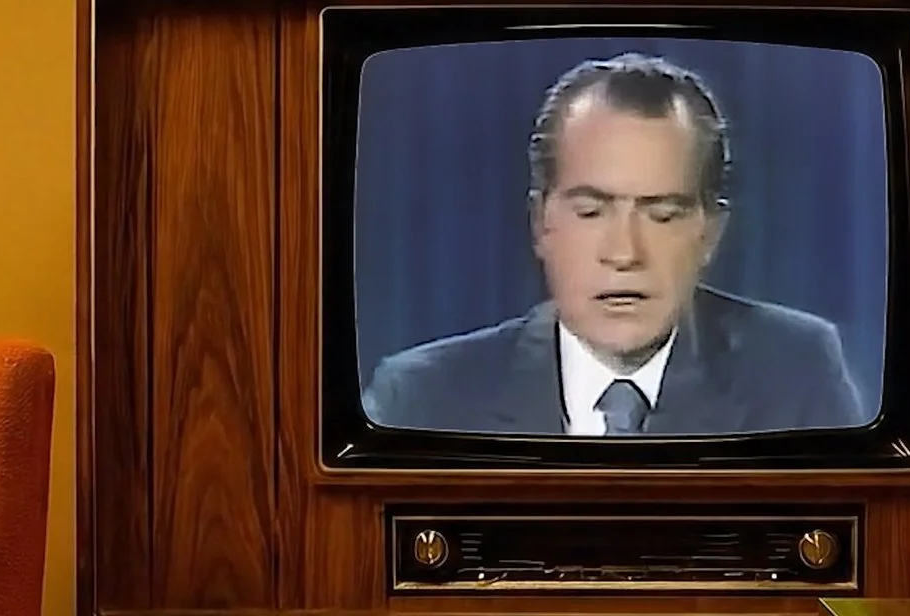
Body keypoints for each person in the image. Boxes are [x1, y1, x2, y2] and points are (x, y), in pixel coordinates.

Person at [362, 52, 865, 436]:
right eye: (591, 211)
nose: (624, 253)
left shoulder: (799, 371)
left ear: (710, 233)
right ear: (541, 224)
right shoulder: (420, 397)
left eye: (663, 214)